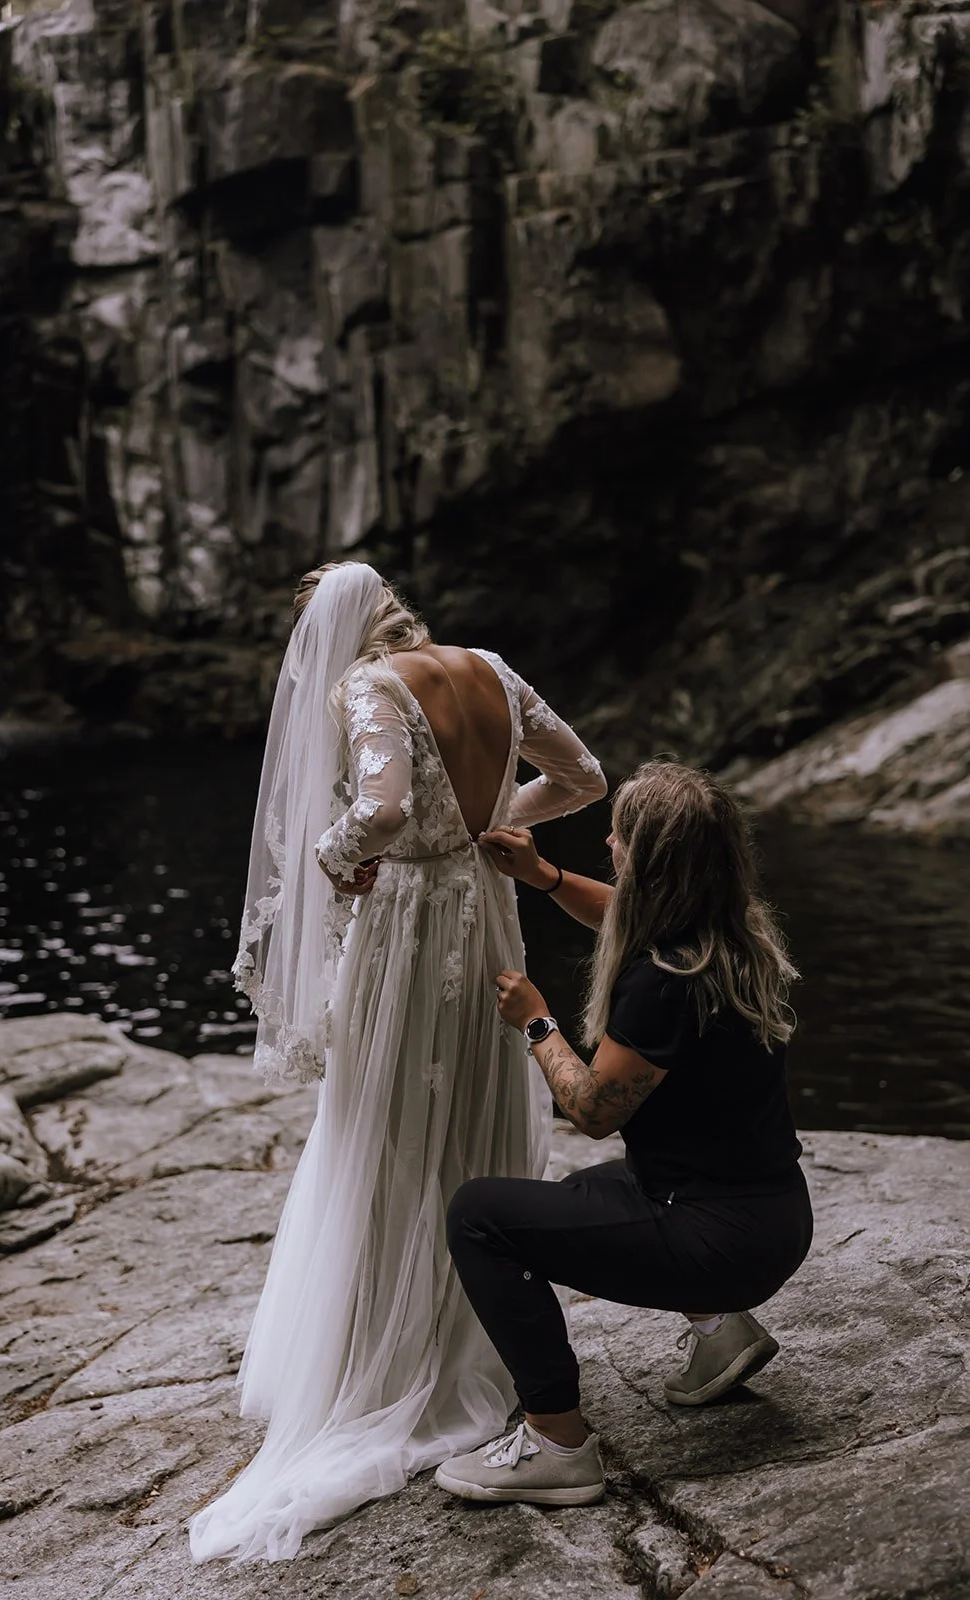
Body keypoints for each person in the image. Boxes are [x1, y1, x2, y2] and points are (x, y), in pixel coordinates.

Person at [189, 560, 607, 1562]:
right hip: (487, 906)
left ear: (338, 639)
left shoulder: (371, 686)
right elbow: (585, 777)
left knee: (381, 1125)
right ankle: (476, 1336)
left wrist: (336, 860)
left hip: (412, 924)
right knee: (472, 1114)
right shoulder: (492, 668)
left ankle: (384, 1355)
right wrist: (496, 827)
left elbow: (377, 809)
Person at [435, 761, 813, 1507]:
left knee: (478, 1214)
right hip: (773, 1216)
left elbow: (592, 1111)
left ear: (653, 861)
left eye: (621, 834)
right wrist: (544, 876)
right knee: (584, 1194)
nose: (607, 838)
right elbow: (619, 912)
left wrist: (537, 1023)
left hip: (717, 1242)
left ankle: (557, 1442)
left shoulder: (663, 982)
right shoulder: (736, 933)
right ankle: (722, 1336)